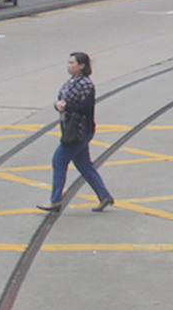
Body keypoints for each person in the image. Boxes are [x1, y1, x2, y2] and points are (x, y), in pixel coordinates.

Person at [40, 51, 116, 213]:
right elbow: (62, 100)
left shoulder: (86, 85)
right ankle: (104, 196)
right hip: (70, 129)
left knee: (59, 160)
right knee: (83, 165)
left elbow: (84, 108)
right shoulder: (71, 82)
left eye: (72, 63)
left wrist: (65, 106)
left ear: (82, 66)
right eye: (68, 63)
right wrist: (57, 105)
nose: (69, 66)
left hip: (80, 131)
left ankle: (55, 201)